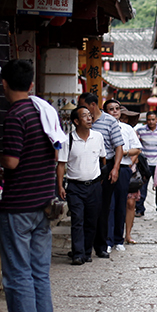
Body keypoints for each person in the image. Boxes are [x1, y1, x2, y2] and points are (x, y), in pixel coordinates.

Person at [0, 60, 58, 312]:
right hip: (42, 202)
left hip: (19, 205)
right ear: (31, 84)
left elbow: (12, 161)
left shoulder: (16, 115)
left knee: (17, 272)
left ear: (4, 84)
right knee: (39, 272)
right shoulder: (41, 111)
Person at [77, 92, 124, 259]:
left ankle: (101, 245)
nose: (80, 109)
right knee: (86, 208)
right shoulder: (83, 121)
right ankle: (82, 247)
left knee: (103, 207)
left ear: (92, 105)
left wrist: (115, 169)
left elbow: (118, 147)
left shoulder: (110, 121)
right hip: (85, 167)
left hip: (105, 167)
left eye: (82, 105)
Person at [56, 106, 105, 266]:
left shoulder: (98, 137)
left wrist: (100, 179)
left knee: (92, 220)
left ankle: (86, 251)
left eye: (90, 115)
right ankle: (77, 254)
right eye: (85, 116)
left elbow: (102, 159)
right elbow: (61, 165)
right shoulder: (67, 140)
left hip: (94, 186)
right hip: (75, 187)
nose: (90, 118)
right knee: (77, 219)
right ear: (76, 121)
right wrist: (60, 186)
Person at [107, 102, 141, 251]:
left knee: (121, 204)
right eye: (111, 109)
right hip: (106, 166)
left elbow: (137, 149)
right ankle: (106, 240)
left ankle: (118, 239)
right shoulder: (100, 126)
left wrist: (124, 152)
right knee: (108, 205)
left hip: (123, 168)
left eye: (117, 109)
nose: (115, 112)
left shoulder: (127, 129)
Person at [133, 111, 157, 218]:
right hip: (145, 164)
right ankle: (140, 209)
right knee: (142, 186)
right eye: (149, 120)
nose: (151, 122)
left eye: (153, 119)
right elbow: (136, 143)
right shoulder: (140, 131)